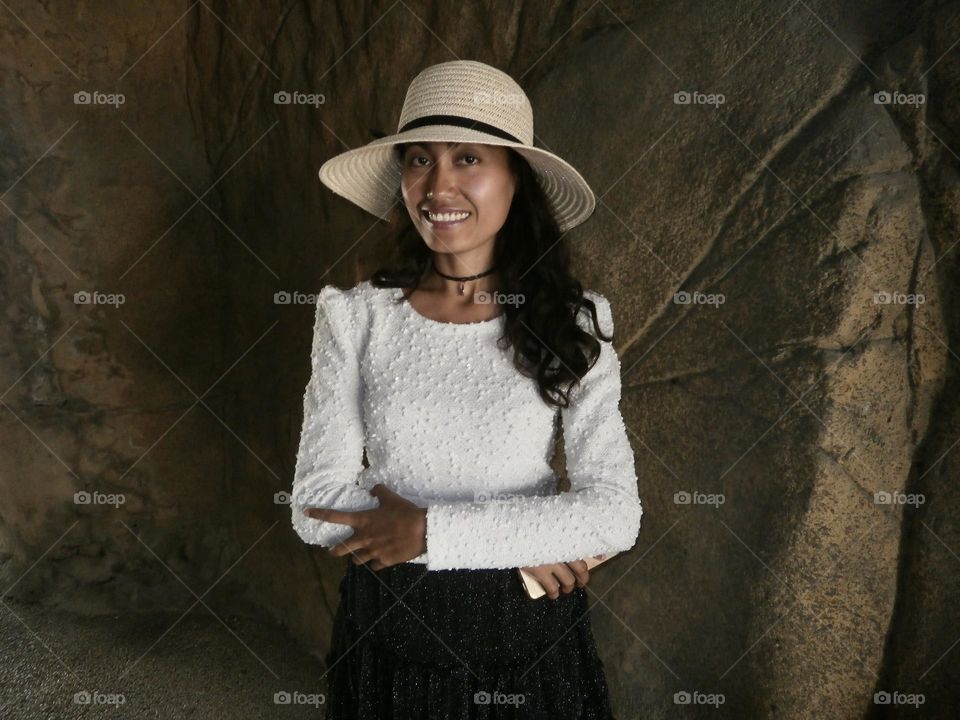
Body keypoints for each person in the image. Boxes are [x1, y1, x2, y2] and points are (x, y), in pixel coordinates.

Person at [291, 59, 643, 719]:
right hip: (389, 631)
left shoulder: (576, 321)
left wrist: (428, 532)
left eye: (468, 159)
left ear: (516, 180)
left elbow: (615, 513)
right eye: (420, 159)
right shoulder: (353, 315)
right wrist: (537, 536)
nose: (438, 185)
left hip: (528, 636)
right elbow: (314, 504)